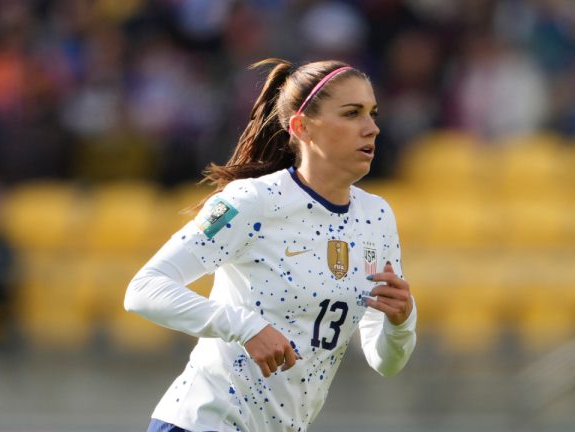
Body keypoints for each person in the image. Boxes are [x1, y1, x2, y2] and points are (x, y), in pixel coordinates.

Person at [124, 58, 417, 432]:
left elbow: (386, 362)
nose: (372, 128)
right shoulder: (253, 201)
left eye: (373, 113)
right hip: (203, 423)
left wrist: (400, 321)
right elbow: (144, 290)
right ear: (302, 127)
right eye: (352, 113)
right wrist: (244, 326)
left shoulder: (377, 217)